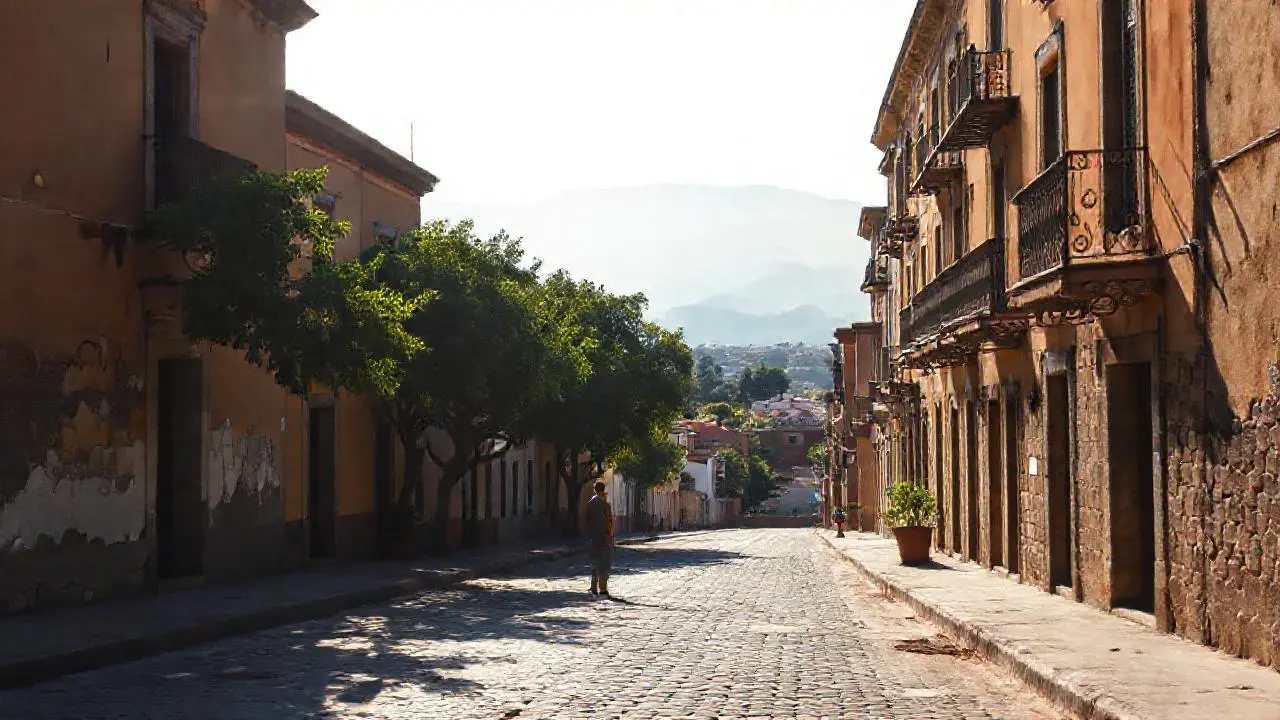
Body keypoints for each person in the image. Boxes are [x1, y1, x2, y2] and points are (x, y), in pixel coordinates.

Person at [584, 480, 615, 597]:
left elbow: (587, 521)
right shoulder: (605, 504)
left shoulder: (590, 503)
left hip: (593, 536)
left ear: (595, 490)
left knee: (594, 561)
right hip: (604, 536)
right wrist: (611, 536)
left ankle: (593, 586)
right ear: (603, 491)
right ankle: (603, 588)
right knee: (604, 563)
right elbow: (609, 521)